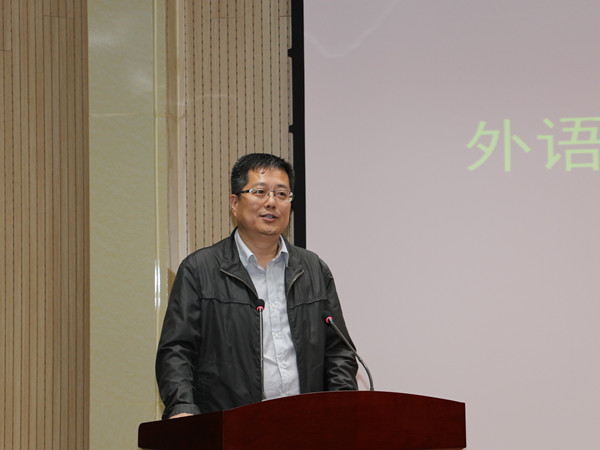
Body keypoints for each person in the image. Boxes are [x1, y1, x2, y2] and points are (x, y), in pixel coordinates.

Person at [156, 153, 358, 419]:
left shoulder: (313, 269)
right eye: (260, 192)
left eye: (282, 194)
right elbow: (177, 351)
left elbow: (339, 351)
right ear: (235, 203)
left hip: (306, 426)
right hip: (230, 426)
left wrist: (342, 407)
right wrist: (182, 407)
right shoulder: (200, 270)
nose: (271, 202)